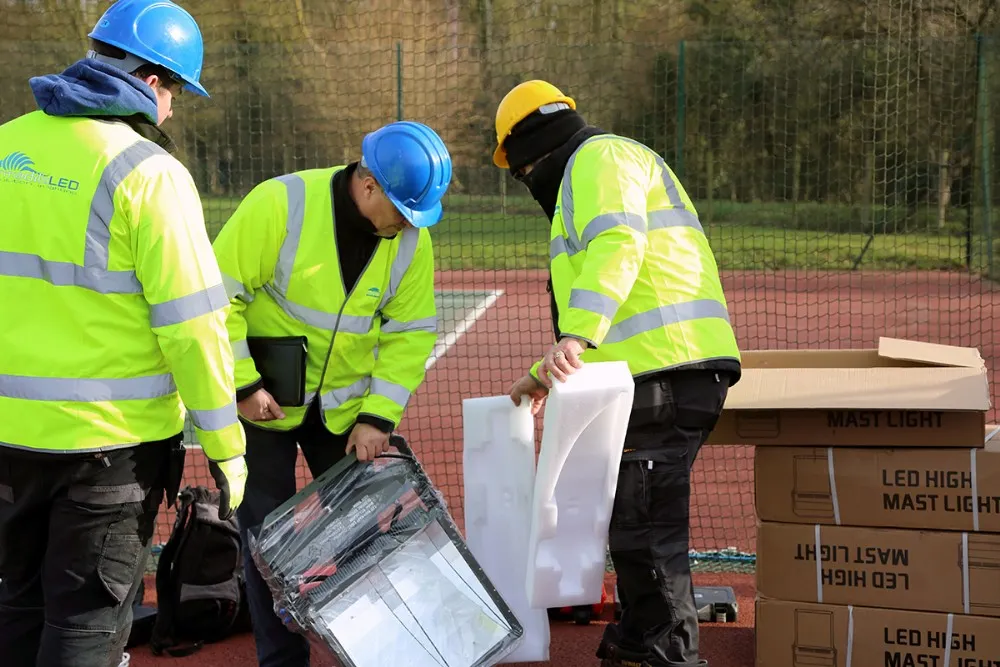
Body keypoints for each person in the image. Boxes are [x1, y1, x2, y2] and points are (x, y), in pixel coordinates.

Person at [0, 1, 248, 666]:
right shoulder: (150, 174)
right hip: (109, 448)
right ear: (153, 80)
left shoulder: (6, 145)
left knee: (14, 609)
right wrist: (227, 446)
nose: (171, 112)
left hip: (7, 440)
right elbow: (195, 328)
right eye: (175, 95)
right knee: (85, 623)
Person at [493, 80, 743, 667]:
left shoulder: (597, 159)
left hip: (667, 373)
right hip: (665, 370)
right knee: (631, 515)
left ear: (532, 146)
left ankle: (668, 651)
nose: (525, 178)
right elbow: (621, 300)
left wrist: (574, 335)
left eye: (520, 167)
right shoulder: (602, 163)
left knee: (648, 525)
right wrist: (543, 373)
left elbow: (617, 245)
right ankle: (641, 639)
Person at [212, 120, 451, 667]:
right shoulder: (280, 204)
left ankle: (372, 653)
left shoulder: (411, 238)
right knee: (266, 545)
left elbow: (409, 330)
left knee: (362, 535)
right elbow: (215, 297)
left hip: (345, 418)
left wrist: (379, 417)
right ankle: (283, 661)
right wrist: (242, 384)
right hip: (261, 407)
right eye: (404, 210)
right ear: (368, 185)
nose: (410, 225)